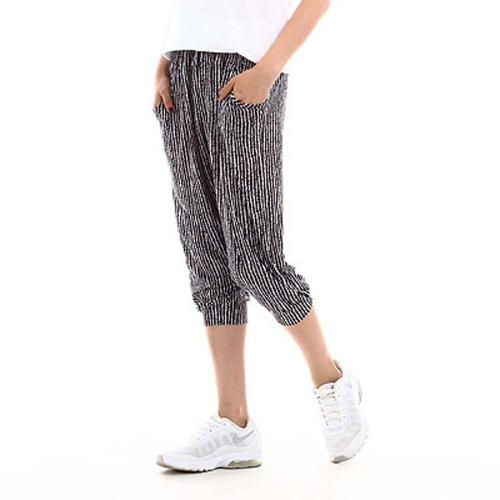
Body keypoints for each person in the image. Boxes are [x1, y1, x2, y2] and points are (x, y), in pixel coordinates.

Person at [153, 0, 367, 472]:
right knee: (207, 258)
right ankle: (234, 422)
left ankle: (331, 380)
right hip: (181, 73)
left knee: (254, 258)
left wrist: (269, 69)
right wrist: (165, 59)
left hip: (246, 71)